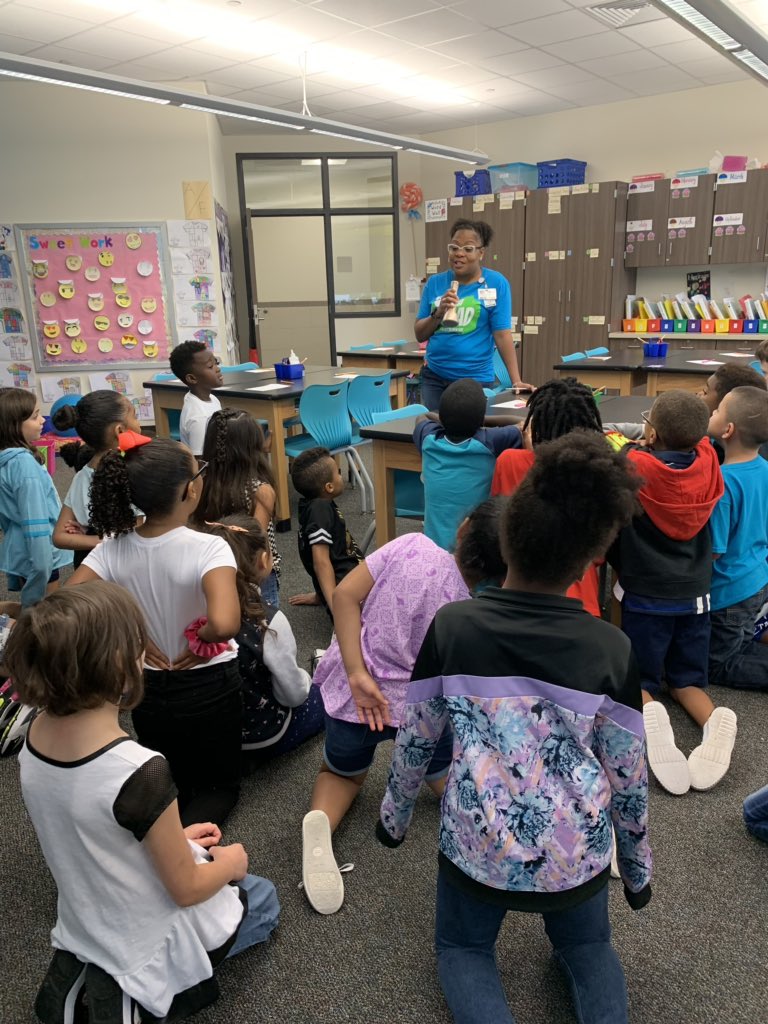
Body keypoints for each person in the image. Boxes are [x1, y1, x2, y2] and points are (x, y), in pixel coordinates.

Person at [376, 432, 651, 1024]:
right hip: (575, 854)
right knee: (589, 947)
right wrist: (637, 871)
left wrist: (394, 821)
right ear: (592, 557)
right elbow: (629, 778)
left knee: (462, 948)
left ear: (504, 534)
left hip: (476, 846)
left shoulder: (454, 629)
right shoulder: (612, 648)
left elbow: (416, 738)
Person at [8, 582, 278, 1021]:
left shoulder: (35, 739)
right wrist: (230, 863)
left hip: (85, 907)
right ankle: (147, 986)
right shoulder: (139, 769)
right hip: (143, 923)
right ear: (118, 665)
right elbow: (186, 888)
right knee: (262, 898)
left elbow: (87, 821)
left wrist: (176, 835)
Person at [302, 500, 507, 915]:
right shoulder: (469, 612)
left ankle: (320, 826)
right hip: (422, 717)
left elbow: (344, 596)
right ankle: (509, 826)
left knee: (341, 774)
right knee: (450, 776)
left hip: (356, 700)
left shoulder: (410, 545)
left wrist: (358, 672)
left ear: (463, 527)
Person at [68, 433, 243, 827]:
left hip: (147, 687)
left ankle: (159, 825)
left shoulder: (111, 547)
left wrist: (133, 634)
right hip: (208, 684)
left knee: (168, 770)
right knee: (219, 787)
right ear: (188, 490)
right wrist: (203, 642)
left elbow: (66, 605)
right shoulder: (208, 547)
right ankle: (180, 849)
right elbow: (225, 623)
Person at [608, 390, 734, 796]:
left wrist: (637, 440)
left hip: (645, 594)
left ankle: (651, 714)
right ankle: (712, 720)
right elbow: (701, 442)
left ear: (653, 431)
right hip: (696, 594)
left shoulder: (634, 467)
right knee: (686, 682)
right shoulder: (711, 461)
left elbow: (620, 455)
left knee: (641, 680)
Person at [201, 515, 324, 764]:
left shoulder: (194, 610)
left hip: (212, 733)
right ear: (263, 560)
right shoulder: (269, 621)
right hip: (261, 736)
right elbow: (293, 695)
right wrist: (308, 680)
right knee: (328, 695)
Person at [491, 377, 606, 616]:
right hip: (580, 603)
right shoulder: (597, 470)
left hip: (516, 599)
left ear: (536, 424)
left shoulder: (509, 461)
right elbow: (600, 553)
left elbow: (498, 527)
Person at [415, 219, 531, 409]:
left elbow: (502, 335)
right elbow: (420, 333)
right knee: (435, 432)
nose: (459, 254)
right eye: (454, 248)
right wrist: (439, 313)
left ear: (481, 252)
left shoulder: (496, 283)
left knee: (471, 433)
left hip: (474, 380)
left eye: (468, 249)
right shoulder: (435, 283)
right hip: (435, 377)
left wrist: (515, 381)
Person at [414, 378, 522, 550]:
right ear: (480, 419)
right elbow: (522, 426)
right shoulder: (490, 442)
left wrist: (446, 419)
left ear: (442, 416)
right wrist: (484, 421)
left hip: (433, 553)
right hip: (474, 555)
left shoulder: (428, 439)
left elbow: (423, 416)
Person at [707, 386, 768, 691]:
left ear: (728, 430)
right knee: (740, 642)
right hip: (756, 579)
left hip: (728, 592)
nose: (712, 412)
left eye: (717, 410)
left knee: (718, 664)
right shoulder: (765, 470)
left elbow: (715, 551)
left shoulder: (724, 483)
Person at [193, 409, 282, 608]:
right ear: (252, 449)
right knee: (264, 629)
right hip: (256, 574)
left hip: (214, 567)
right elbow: (255, 542)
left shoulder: (202, 484)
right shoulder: (260, 491)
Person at [52, 390, 143, 568]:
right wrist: (104, 538)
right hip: (126, 565)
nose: (138, 422)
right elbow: (139, 531)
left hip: (91, 564)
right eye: (135, 416)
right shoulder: (136, 471)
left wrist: (91, 536)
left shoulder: (81, 476)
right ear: (120, 430)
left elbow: (60, 537)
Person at [0, 388, 72, 607]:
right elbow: (35, 523)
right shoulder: (24, 465)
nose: (43, 420)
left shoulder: (7, 457)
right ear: (13, 425)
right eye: (34, 416)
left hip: (23, 547)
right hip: (39, 551)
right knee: (46, 615)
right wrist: (41, 567)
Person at [288, 447, 363, 614]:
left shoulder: (313, 504)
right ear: (329, 487)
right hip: (348, 585)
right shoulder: (320, 509)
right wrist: (335, 605)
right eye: (337, 473)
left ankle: (322, 594)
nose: (340, 476)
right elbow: (320, 562)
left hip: (346, 576)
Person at [169, 340, 224, 456]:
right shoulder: (199, 418)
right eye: (210, 366)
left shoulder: (211, 398)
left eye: (216, 363)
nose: (217, 369)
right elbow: (200, 464)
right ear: (192, 379)